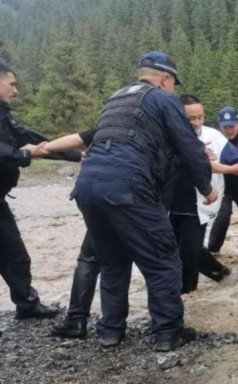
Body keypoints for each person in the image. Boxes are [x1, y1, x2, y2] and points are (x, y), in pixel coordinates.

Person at [70, 51, 217, 351]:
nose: (174, 88)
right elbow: (189, 145)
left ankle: (110, 332)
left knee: (112, 262)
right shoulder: (163, 99)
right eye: (174, 83)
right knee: (163, 259)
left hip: (87, 185)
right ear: (165, 79)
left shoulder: (116, 98)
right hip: (127, 187)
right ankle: (168, 333)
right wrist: (206, 187)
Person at [0, 60, 78, 320]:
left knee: (15, 256)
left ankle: (27, 304)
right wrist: (22, 154)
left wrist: (78, 154)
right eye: (11, 84)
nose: (16, 90)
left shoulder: (3, 114)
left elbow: (33, 139)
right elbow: (11, 152)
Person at [173, 94, 230, 293]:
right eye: (192, 118)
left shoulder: (212, 135)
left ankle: (188, 293)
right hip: (170, 201)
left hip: (199, 202)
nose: (197, 123)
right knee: (175, 248)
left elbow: (233, 155)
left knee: (190, 249)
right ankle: (219, 272)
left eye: (201, 117)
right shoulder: (169, 134)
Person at [207, 106, 238, 253]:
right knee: (222, 216)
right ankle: (213, 252)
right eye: (225, 127)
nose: (229, 130)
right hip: (224, 187)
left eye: (232, 126)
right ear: (220, 126)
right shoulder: (215, 142)